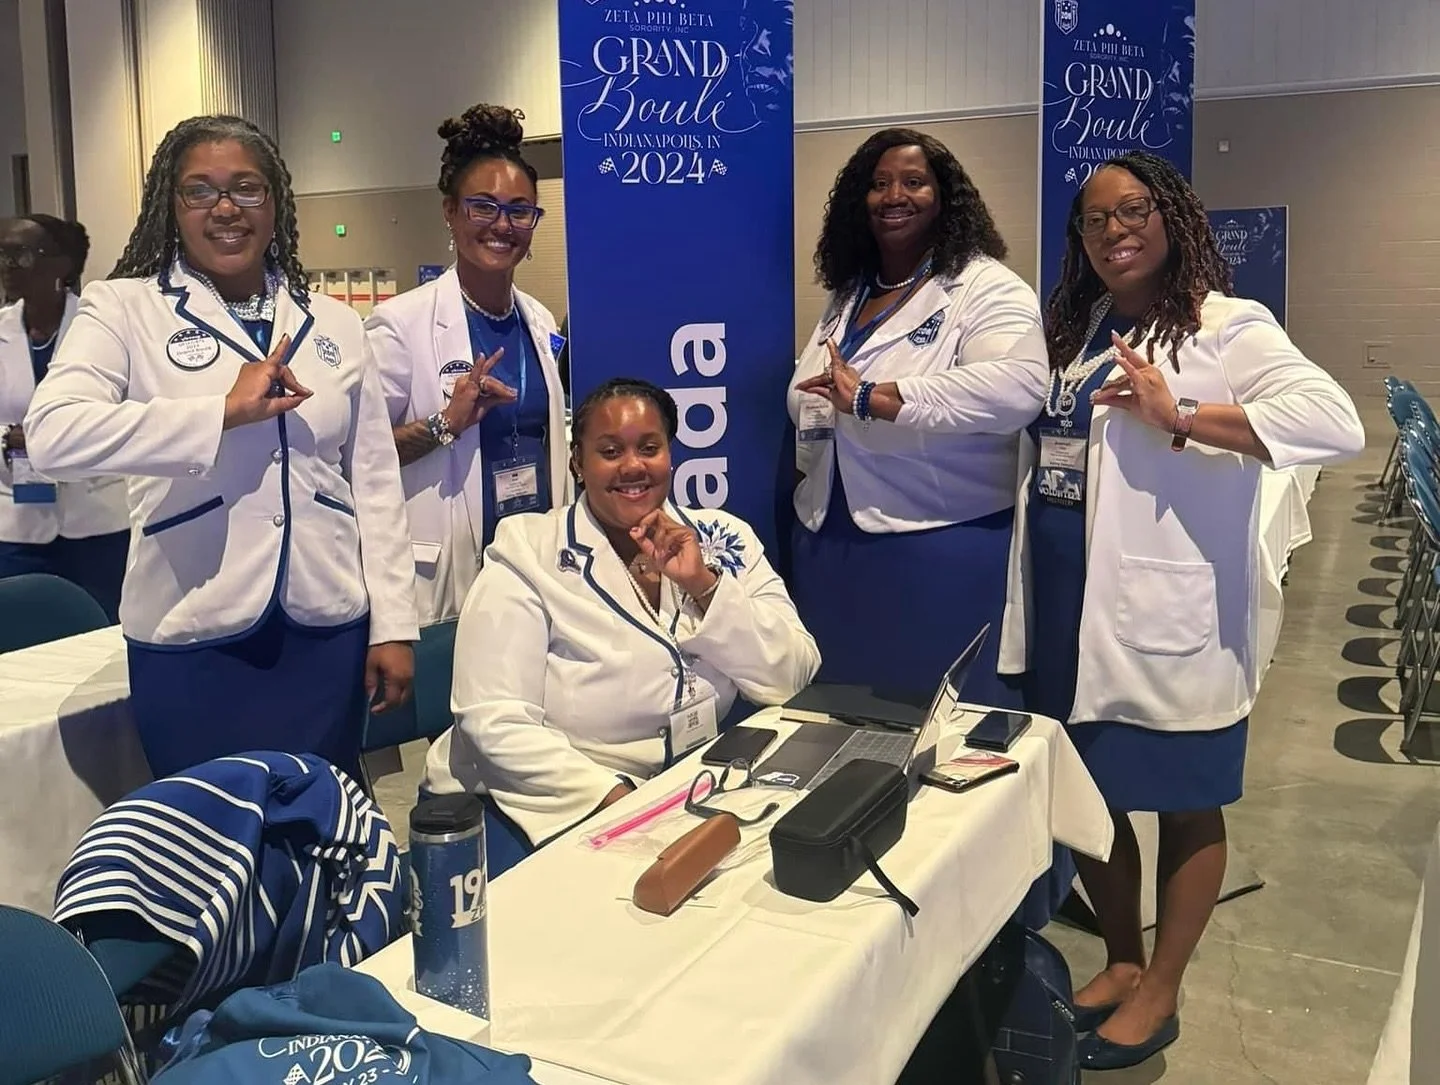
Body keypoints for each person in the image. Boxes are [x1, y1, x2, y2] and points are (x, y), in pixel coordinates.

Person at [998, 151, 1364, 1070]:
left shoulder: (1225, 325)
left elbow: (1335, 420)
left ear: (1172, 216)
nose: (1114, 231)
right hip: (1065, 599)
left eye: (1133, 211)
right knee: (1087, 795)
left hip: (1165, 609)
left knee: (1186, 802)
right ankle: (1120, 962)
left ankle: (1160, 986)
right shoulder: (1075, 328)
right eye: (1094, 220)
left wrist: (1185, 413)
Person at [24, 114, 419, 779]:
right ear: (171, 208)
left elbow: (374, 482)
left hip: (326, 630)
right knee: (209, 845)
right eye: (200, 191)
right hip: (193, 634)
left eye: (247, 188)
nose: (226, 208)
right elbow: (53, 434)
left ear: (276, 203)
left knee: (317, 832)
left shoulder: (335, 323)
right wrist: (219, 414)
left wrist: (393, 624)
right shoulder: (123, 309)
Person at [422, 377, 819, 867]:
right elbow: (494, 722)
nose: (633, 466)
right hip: (538, 797)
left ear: (670, 455)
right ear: (578, 463)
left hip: (683, 786)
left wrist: (704, 585)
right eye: (610, 451)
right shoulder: (527, 553)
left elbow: (794, 674)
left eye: (649, 448)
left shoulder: (723, 538)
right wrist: (623, 807)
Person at [788, 128, 1049, 710]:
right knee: (839, 733)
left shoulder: (984, 287)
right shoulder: (851, 294)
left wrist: (876, 397)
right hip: (831, 547)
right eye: (878, 185)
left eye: (913, 182)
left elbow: (1019, 387)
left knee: (942, 738)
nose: (893, 196)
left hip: (938, 549)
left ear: (945, 196)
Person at [365, 104, 569, 625]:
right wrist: (445, 424)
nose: (503, 225)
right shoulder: (399, 325)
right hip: (451, 577)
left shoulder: (539, 319)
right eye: (484, 207)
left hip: (537, 567)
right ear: (450, 212)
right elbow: (359, 457)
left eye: (520, 210)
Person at [0, 215, 129, 619]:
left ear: (62, 265)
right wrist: (7, 436)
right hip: (18, 525)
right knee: (25, 644)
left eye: (18, 255)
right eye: (1, 254)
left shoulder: (101, 325)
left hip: (97, 519)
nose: (6, 265)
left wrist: (56, 435)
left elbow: (129, 410)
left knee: (103, 637)